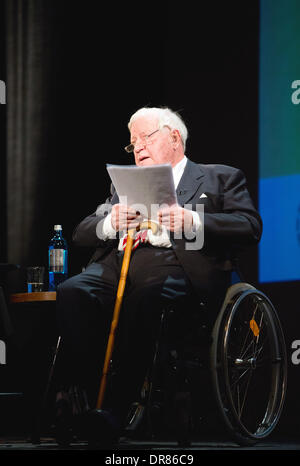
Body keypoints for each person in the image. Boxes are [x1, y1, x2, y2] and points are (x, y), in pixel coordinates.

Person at [55, 106, 262, 447]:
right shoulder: (123, 186)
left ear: (174, 138)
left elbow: (250, 226)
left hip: (176, 264)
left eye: (145, 137)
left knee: (146, 298)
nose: (137, 147)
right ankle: (86, 399)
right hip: (118, 263)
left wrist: (193, 221)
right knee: (74, 291)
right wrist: (111, 222)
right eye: (132, 142)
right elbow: (81, 232)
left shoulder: (219, 177)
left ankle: (116, 411)